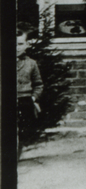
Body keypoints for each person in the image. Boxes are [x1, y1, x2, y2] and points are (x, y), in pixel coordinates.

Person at [16, 31, 43, 159]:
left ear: (27, 45)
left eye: (20, 44)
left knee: (23, 129)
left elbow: (38, 84)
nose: (16, 47)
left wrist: (33, 98)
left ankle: (16, 154)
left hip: (25, 100)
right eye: (12, 44)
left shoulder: (31, 63)